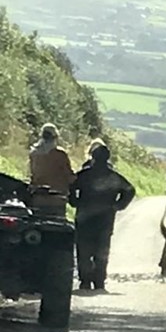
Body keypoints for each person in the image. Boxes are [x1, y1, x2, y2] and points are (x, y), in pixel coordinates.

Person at [69, 144, 136, 292]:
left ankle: (85, 281)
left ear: (92, 157)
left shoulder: (84, 175)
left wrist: (74, 201)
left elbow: (70, 187)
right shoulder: (113, 176)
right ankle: (99, 282)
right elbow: (130, 190)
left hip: (84, 216)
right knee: (102, 249)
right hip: (105, 218)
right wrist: (118, 206)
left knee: (84, 250)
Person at [29, 122, 74, 215]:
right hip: (57, 197)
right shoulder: (60, 154)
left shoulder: (34, 153)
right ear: (55, 137)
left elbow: (33, 174)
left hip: (38, 196)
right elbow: (68, 175)